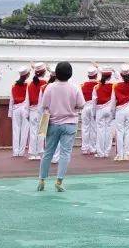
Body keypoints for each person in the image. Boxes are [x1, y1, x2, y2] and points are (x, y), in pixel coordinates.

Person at [36, 61, 86, 192]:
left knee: (48, 152)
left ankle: (42, 179)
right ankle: (59, 181)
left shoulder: (49, 87)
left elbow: (44, 105)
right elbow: (81, 104)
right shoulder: (75, 87)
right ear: (70, 74)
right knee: (65, 153)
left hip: (53, 123)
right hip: (69, 124)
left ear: (56, 73)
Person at [112, 64, 129, 162]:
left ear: (121, 75)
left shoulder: (116, 85)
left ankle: (120, 154)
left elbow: (113, 100)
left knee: (119, 132)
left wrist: (112, 112)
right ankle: (126, 154)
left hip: (119, 110)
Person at [26, 63, 49, 160]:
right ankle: (40, 152)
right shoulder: (46, 83)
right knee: (42, 132)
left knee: (33, 132)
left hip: (32, 111)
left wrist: (27, 113)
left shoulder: (30, 84)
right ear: (44, 72)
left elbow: (27, 100)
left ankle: (32, 153)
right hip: (43, 111)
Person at [93, 66, 115, 159]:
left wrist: (94, 113)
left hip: (99, 110)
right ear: (110, 76)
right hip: (109, 109)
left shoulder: (96, 87)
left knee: (100, 131)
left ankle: (100, 152)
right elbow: (114, 100)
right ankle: (106, 152)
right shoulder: (113, 86)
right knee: (108, 131)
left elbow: (94, 102)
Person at [9, 66, 31, 158]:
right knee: (24, 130)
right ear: (27, 75)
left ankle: (15, 152)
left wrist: (10, 113)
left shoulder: (14, 85)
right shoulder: (29, 85)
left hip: (15, 108)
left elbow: (11, 100)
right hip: (25, 108)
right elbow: (28, 98)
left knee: (16, 130)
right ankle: (21, 152)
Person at [78, 68, 98, 157]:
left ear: (88, 75)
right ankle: (92, 147)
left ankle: (85, 148)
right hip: (94, 107)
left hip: (85, 106)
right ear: (96, 75)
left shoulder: (82, 85)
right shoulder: (98, 85)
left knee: (85, 128)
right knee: (94, 128)